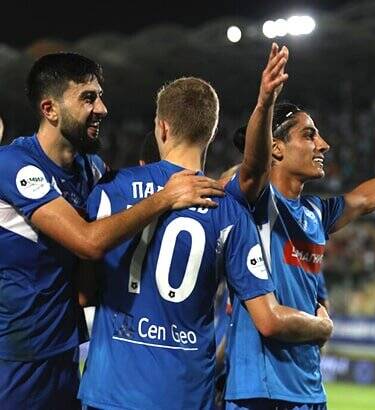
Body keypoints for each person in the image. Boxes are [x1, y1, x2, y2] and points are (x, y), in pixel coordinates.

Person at [79, 47, 333, 410]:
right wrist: (321, 325)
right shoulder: (228, 210)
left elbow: (83, 292)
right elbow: (267, 316)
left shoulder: (111, 188)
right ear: (211, 134)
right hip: (186, 394)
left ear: (162, 127)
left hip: (111, 391)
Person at [0, 52, 222, 410]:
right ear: (50, 109)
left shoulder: (91, 169)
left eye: (100, 97)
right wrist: (164, 197)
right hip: (15, 357)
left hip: (65, 354)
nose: (101, 109)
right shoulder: (13, 164)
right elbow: (87, 242)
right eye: (88, 98)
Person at [225, 101, 375, 408]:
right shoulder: (255, 203)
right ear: (277, 149)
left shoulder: (315, 212)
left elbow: (365, 200)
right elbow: (252, 167)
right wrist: (266, 99)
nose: (323, 145)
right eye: (309, 135)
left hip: (309, 389)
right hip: (262, 390)